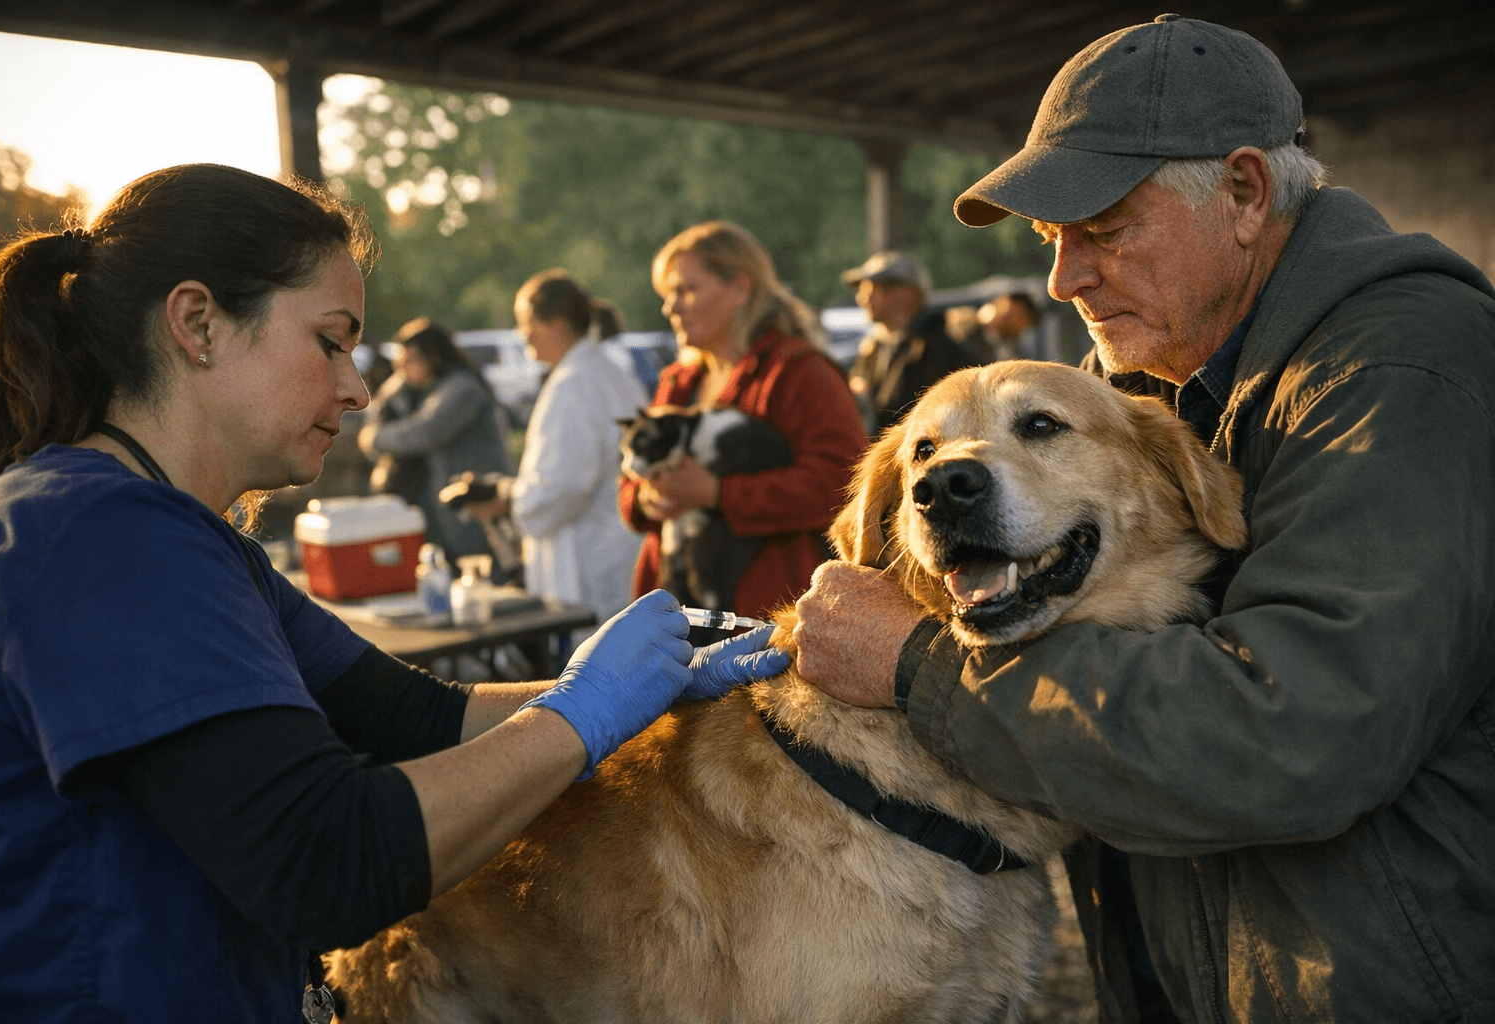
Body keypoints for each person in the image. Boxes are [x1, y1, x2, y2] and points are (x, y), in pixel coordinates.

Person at [0, 163, 788, 1023]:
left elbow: (416, 718)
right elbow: (324, 858)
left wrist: (645, 698)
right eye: (330, 341)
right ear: (197, 322)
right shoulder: (91, 531)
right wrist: (578, 716)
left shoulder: (196, 541)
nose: (356, 388)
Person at [792, 15, 1495, 1023]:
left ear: (1245, 194)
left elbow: (1296, 730)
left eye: (1105, 229)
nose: (1062, 279)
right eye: (1050, 240)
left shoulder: (1398, 370)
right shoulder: (1169, 375)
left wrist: (921, 671)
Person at [618, 220, 866, 621]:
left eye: (686, 290)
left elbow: (846, 483)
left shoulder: (799, 371)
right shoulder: (679, 383)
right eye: (668, 294)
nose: (671, 307)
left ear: (740, 288)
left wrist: (719, 493)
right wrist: (647, 497)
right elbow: (629, 485)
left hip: (766, 613)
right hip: (672, 608)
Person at [459, 269, 648, 628]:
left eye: (526, 323)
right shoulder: (610, 372)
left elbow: (563, 487)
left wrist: (509, 500)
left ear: (556, 326)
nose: (521, 334)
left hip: (586, 562)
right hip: (615, 551)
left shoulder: (573, 384)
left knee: (591, 671)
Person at [358, 316, 512, 562]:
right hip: (453, 514)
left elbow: (426, 432)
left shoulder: (462, 388)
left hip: (478, 509)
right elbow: (379, 410)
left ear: (433, 356)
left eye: (411, 361)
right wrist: (397, 381)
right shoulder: (427, 388)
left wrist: (374, 438)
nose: (404, 369)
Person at [842, 249, 978, 435]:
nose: (863, 298)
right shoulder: (873, 347)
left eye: (874, 288)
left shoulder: (939, 352)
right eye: (862, 290)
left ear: (907, 294)